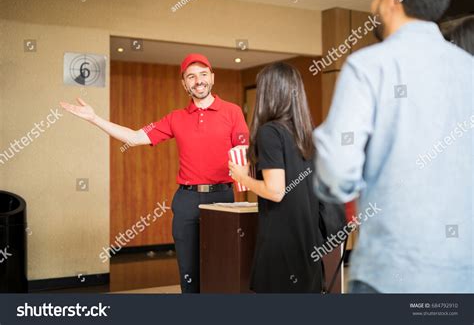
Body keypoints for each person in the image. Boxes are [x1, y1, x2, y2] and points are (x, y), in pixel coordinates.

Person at [313, 0, 473, 293]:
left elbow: (336, 170)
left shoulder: (369, 67)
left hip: (389, 273)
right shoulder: (469, 70)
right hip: (462, 271)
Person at [60, 53, 249, 293]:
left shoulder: (232, 112)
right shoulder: (175, 118)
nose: (198, 80)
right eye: (191, 76)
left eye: (203, 74)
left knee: (224, 268)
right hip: (186, 201)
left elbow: (243, 150)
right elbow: (136, 136)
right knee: (189, 273)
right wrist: (95, 119)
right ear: (184, 84)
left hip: (222, 199)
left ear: (212, 77)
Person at [229, 62, 323, 293]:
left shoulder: (269, 132)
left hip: (280, 240)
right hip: (308, 238)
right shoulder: (306, 134)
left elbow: (275, 191)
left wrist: (243, 176)